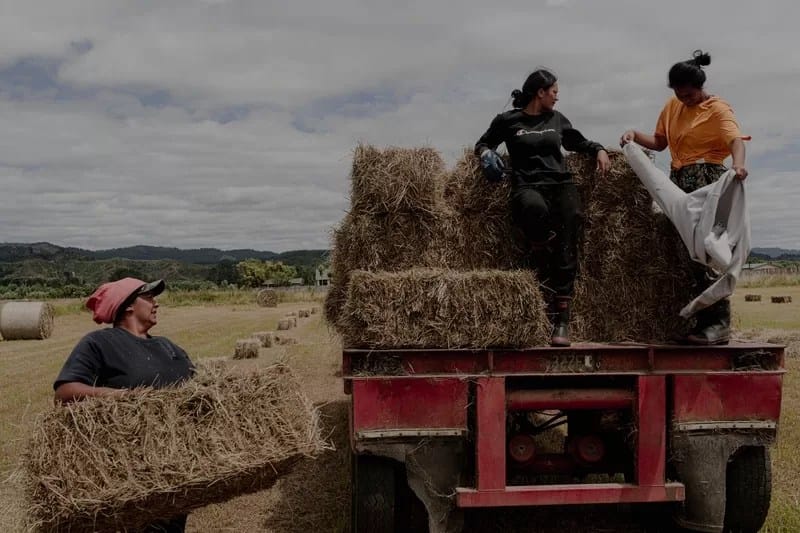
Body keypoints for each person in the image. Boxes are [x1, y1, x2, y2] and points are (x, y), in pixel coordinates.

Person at [620, 50, 749, 345]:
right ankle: (694, 319)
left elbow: (736, 142)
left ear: (700, 88)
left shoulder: (718, 110)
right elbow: (660, 142)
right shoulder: (672, 106)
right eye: (679, 95)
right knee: (682, 256)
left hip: (708, 185)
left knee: (708, 253)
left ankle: (718, 324)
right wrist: (634, 136)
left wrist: (739, 165)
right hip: (679, 183)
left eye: (689, 95)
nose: (684, 100)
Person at [475, 68, 611, 347]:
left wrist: (598, 149)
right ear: (540, 92)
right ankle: (539, 243)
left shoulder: (556, 119)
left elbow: (576, 141)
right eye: (554, 92)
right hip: (528, 185)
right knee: (531, 208)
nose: (557, 97)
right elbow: (484, 142)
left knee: (570, 223)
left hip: (560, 183)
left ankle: (561, 320)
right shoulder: (508, 120)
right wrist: (485, 153)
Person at [54, 277, 195, 533]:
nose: (156, 304)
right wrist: (121, 397)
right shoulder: (100, 343)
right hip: (135, 473)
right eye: (149, 298)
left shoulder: (166, 345)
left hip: (178, 468)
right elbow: (65, 391)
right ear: (128, 306)